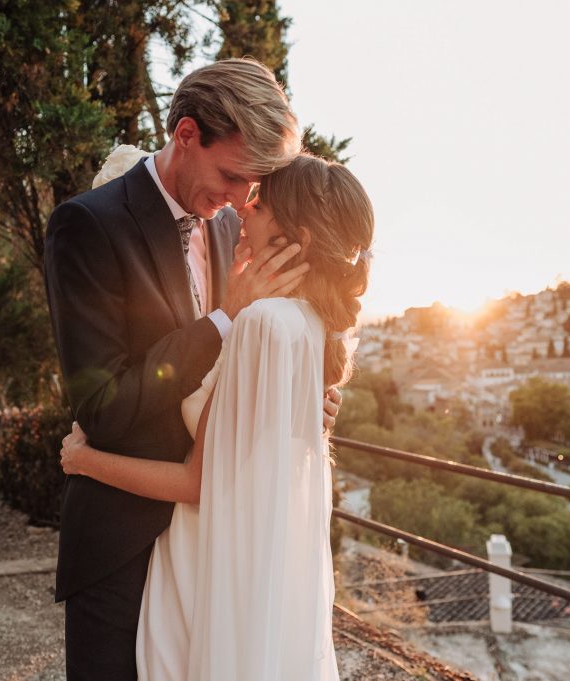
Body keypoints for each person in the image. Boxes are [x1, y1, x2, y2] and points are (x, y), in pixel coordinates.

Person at [42, 59, 341, 680]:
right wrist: (222, 322)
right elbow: (103, 405)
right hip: (124, 545)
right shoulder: (89, 225)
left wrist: (294, 405)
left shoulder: (236, 225)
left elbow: (246, 373)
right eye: (231, 175)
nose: (236, 199)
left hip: (214, 549)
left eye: (250, 186)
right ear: (185, 135)